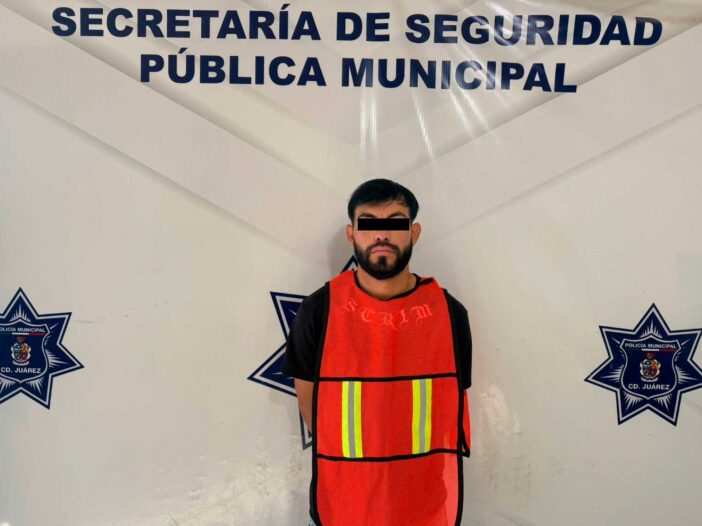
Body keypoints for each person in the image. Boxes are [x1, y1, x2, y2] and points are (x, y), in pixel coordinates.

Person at [282, 178, 472, 525]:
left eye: (395, 223)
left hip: (425, 509)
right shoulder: (318, 310)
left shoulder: (449, 314)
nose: (381, 235)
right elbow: (313, 409)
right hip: (340, 507)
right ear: (351, 234)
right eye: (368, 224)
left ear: (414, 232)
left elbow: (449, 407)